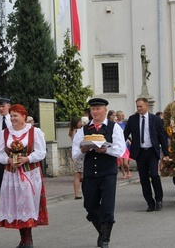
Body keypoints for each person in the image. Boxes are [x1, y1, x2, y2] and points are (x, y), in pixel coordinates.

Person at [72, 98, 126, 248]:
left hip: (108, 173)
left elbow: (120, 150)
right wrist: (83, 150)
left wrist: (106, 149)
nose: (95, 112)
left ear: (105, 111)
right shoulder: (83, 130)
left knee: (107, 207)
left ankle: (105, 240)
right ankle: (102, 232)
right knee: (90, 205)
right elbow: (75, 154)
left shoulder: (114, 127)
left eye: (98, 109)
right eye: (93, 109)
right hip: (90, 173)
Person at [0, 104, 48, 248]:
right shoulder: (4, 133)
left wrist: (27, 159)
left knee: (26, 204)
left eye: (15, 115)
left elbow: (41, 152)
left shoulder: (35, 132)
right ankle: (23, 239)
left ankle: (28, 239)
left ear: (24, 116)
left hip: (30, 173)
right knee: (17, 205)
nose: (12, 119)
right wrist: (9, 160)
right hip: (12, 175)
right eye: (11, 116)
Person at [124, 97, 170, 212]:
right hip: (140, 152)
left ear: (147, 106)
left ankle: (159, 199)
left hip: (152, 152)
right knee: (143, 179)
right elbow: (124, 134)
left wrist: (166, 153)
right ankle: (150, 202)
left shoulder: (155, 119)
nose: (139, 108)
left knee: (154, 175)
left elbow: (162, 137)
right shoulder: (132, 119)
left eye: (141, 106)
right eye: (137, 106)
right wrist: (117, 147)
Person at [69, 116, 83, 200]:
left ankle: (76, 193)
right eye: (79, 122)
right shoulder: (78, 131)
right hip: (80, 154)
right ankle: (79, 193)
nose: (81, 123)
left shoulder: (71, 131)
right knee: (80, 175)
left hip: (75, 154)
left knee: (77, 175)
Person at [116, 110, 132, 179]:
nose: (120, 117)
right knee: (121, 163)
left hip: (124, 145)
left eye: (121, 115)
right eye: (119, 115)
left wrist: (128, 140)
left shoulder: (124, 124)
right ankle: (123, 174)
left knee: (125, 163)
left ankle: (128, 171)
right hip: (118, 145)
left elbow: (126, 133)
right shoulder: (115, 124)